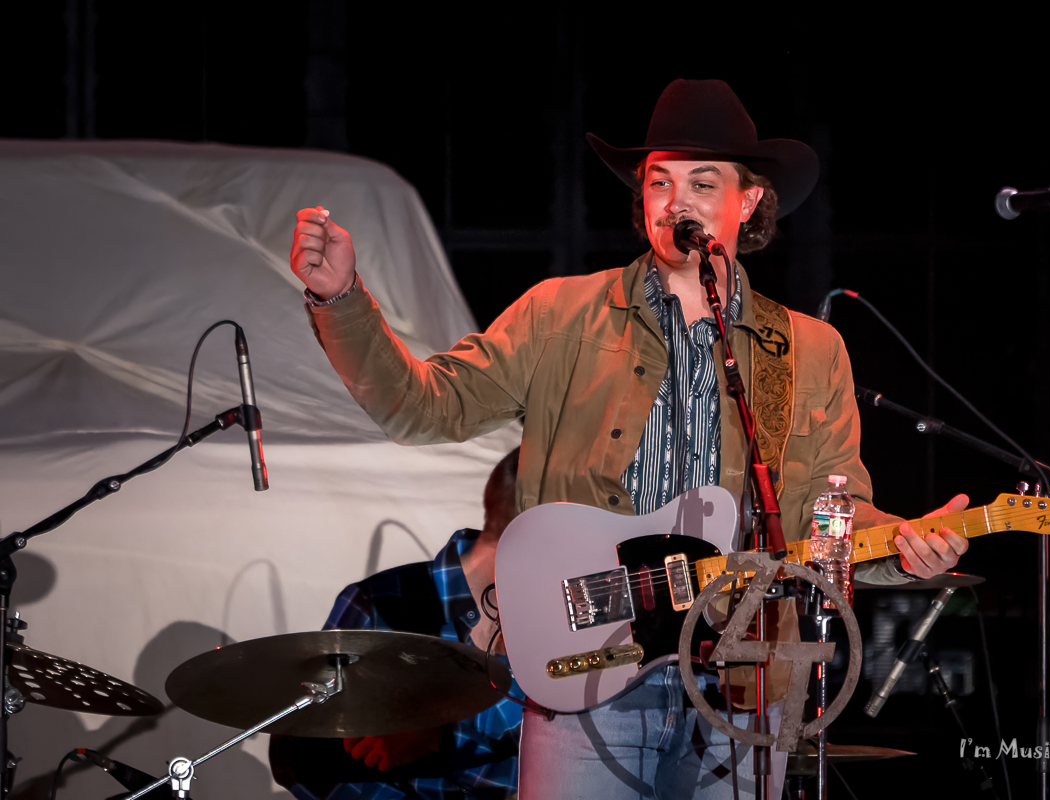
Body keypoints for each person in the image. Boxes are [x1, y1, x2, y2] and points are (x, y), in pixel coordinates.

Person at [290, 79, 968, 799]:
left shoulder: (806, 348)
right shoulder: (560, 314)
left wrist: (904, 547)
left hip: (742, 679)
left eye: (702, 183)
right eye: (660, 182)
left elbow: (829, 513)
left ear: (749, 202)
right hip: (590, 668)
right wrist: (341, 300)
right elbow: (422, 407)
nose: (677, 202)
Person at [271, 449, 523, 800]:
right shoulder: (376, 605)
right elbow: (303, 760)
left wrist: (442, 740)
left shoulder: (570, 619)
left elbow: (567, 761)